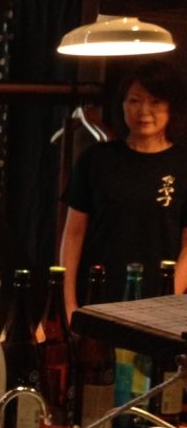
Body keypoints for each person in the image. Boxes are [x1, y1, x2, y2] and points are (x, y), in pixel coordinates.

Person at [60, 60, 187, 318]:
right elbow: (73, 234)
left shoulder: (183, 163)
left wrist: (166, 300)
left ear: (171, 106)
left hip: (159, 302)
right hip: (96, 297)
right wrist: (68, 304)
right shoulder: (96, 159)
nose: (144, 111)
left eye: (155, 102)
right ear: (122, 105)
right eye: (134, 101)